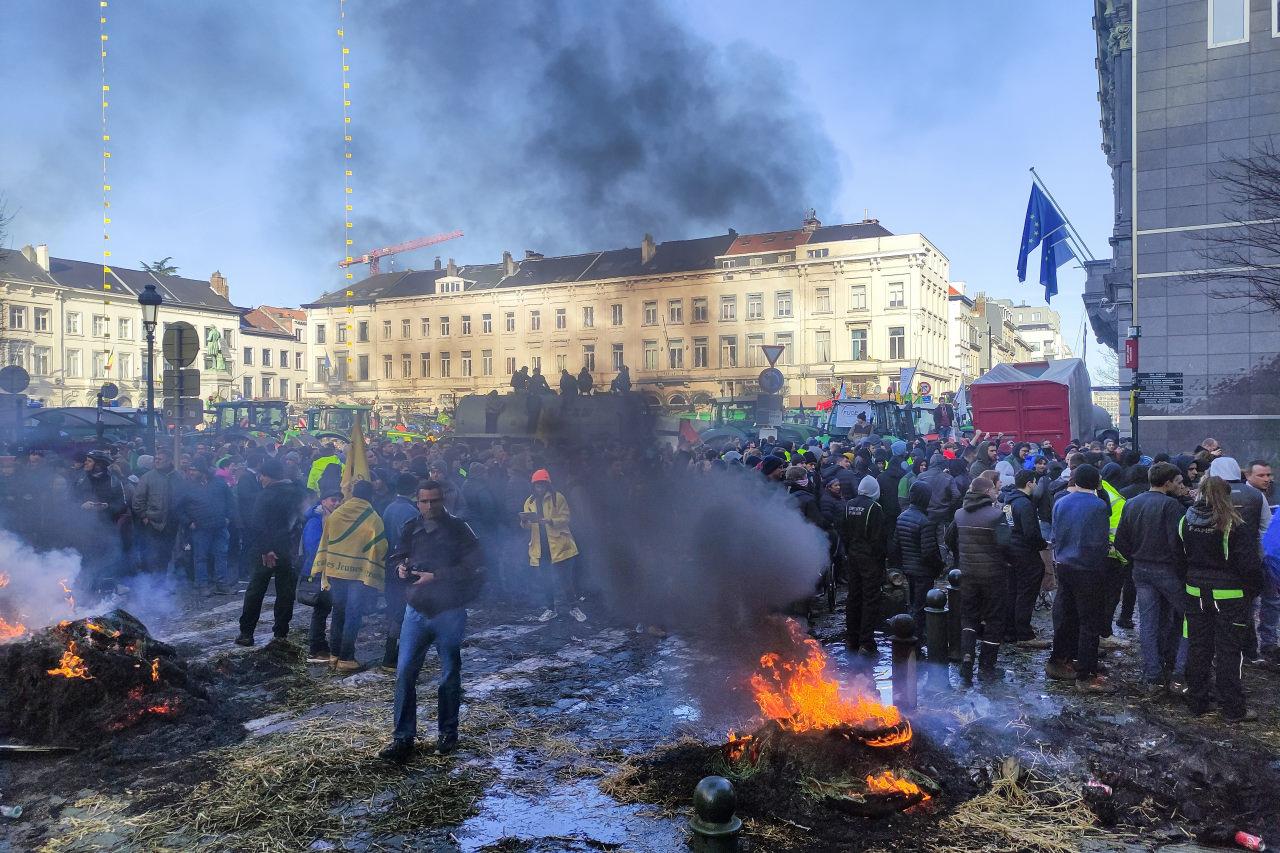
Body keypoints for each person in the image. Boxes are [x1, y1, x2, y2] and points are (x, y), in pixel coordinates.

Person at [378, 481, 486, 762]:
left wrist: (437, 576)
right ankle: (403, 738)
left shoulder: (460, 529)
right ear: (417, 502)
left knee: (448, 675)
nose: (429, 506)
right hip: (415, 610)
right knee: (404, 675)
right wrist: (400, 567)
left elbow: (475, 566)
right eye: (424, 501)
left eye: (434, 501)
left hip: (448, 610)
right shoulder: (411, 527)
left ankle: (448, 734)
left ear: (443, 500)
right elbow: (397, 555)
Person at [1179, 476, 1261, 723]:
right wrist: (1254, 589)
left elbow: (1179, 556)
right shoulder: (1234, 524)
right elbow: (1249, 565)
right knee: (1229, 651)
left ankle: (1197, 701)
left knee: (1198, 647)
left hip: (1195, 593)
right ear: (1228, 495)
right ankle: (1233, 709)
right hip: (1230, 596)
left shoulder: (1186, 521)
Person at [1114, 462, 1190, 694]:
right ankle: (1179, 671)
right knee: (1189, 616)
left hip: (1140, 569)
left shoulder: (1132, 503)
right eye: (1178, 482)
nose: (1182, 486)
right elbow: (1177, 544)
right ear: (1167, 483)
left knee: (1148, 621)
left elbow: (1120, 540)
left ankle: (1153, 675)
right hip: (1167, 570)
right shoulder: (1172, 506)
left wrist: (1133, 559)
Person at [1045, 464, 1115, 693]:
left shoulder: (1061, 502)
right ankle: (1086, 674)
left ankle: (1060, 659)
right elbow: (1100, 539)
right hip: (1088, 568)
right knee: (1089, 621)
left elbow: (1055, 535)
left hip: (1064, 564)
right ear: (1097, 482)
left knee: (1068, 614)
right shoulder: (1098, 505)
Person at [309, 480, 388, 672]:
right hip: (359, 573)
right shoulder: (372, 517)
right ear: (371, 495)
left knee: (338, 611)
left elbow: (327, 539)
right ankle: (346, 658)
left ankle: (334, 655)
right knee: (353, 614)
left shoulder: (337, 513)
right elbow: (380, 545)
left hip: (336, 570)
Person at [945, 478, 1009, 683]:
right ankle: (987, 667)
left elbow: (948, 538)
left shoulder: (960, 514)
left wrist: (961, 556)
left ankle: (967, 657)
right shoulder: (996, 515)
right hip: (993, 575)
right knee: (994, 619)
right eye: (994, 490)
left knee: (969, 616)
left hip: (968, 573)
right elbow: (1006, 544)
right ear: (988, 492)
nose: (996, 493)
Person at [236, 459, 304, 647]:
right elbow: (300, 520)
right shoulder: (297, 493)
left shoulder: (266, 495)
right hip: (288, 551)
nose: (261, 479)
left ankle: (246, 633)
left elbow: (257, 525)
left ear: (269, 476)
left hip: (265, 552)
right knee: (286, 592)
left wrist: (267, 549)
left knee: (256, 591)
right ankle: (281, 633)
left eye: (262, 476)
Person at [522, 469, 584, 622]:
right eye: (537, 485)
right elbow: (527, 527)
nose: (540, 488)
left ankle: (574, 607)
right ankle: (551, 608)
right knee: (545, 580)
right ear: (533, 486)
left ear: (547, 485)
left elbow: (566, 518)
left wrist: (550, 521)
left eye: (542, 485)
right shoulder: (529, 502)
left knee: (566, 580)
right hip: (540, 546)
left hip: (560, 545)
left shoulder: (558, 498)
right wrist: (524, 522)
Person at [837, 475, 885, 656]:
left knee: (853, 596)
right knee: (870, 599)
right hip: (870, 558)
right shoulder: (874, 508)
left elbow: (842, 530)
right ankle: (866, 642)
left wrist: (849, 550)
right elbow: (878, 538)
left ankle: (851, 638)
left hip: (853, 556)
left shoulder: (848, 505)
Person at [379, 473, 422, 672]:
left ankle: (392, 654)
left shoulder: (389, 507)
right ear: (414, 491)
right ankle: (392, 656)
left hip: (389, 564)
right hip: (403, 566)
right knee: (403, 611)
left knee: (394, 609)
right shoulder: (411, 511)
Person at [1002, 469, 1049, 647]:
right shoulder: (1025, 504)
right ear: (1029, 483)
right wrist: (1042, 544)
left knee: (1012, 591)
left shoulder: (1009, 502)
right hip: (1025, 553)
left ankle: (1010, 631)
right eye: (1034, 482)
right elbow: (1031, 533)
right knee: (1026, 593)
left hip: (1011, 551)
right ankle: (1024, 633)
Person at [176, 457, 234, 595]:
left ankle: (222, 584)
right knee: (200, 557)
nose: (191, 472)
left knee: (221, 555)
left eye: (194, 470)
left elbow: (230, 501)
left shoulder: (219, 483)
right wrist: (188, 522)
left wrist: (228, 518)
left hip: (220, 526)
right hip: (200, 528)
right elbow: (178, 507)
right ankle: (202, 585)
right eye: (190, 470)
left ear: (203, 471)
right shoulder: (186, 486)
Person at [892, 481, 940, 635]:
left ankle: (910, 635)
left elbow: (896, 545)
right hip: (923, 571)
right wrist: (939, 566)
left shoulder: (901, 517)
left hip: (909, 569)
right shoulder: (925, 522)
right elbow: (929, 552)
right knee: (920, 606)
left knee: (913, 602)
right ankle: (915, 639)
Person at [304, 489, 343, 663]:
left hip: (333, 571)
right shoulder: (315, 521)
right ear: (323, 502)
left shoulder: (336, 519)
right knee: (321, 609)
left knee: (326, 608)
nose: (336, 503)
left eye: (339, 500)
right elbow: (313, 547)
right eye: (332, 500)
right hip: (320, 571)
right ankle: (316, 648)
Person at [132, 447, 181, 576]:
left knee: (166, 554)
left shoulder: (178, 477)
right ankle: (150, 584)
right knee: (152, 555)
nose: (157, 461)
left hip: (171, 523)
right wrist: (144, 516)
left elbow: (184, 497)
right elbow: (137, 500)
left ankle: (162, 583)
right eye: (156, 459)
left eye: (160, 459)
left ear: (170, 460)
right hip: (152, 523)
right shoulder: (147, 477)